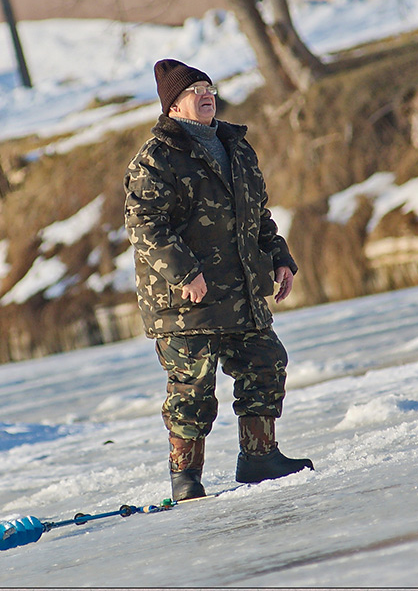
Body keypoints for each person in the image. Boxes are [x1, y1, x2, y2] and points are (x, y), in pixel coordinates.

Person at [124, 59, 314, 501]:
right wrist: (184, 272)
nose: (206, 94)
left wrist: (279, 259)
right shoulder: (156, 158)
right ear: (172, 106)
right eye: (194, 90)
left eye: (209, 86)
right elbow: (144, 226)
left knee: (265, 363)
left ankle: (259, 456)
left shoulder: (236, 147)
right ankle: (185, 477)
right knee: (193, 388)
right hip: (185, 301)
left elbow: (257, 216)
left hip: (241, 290)